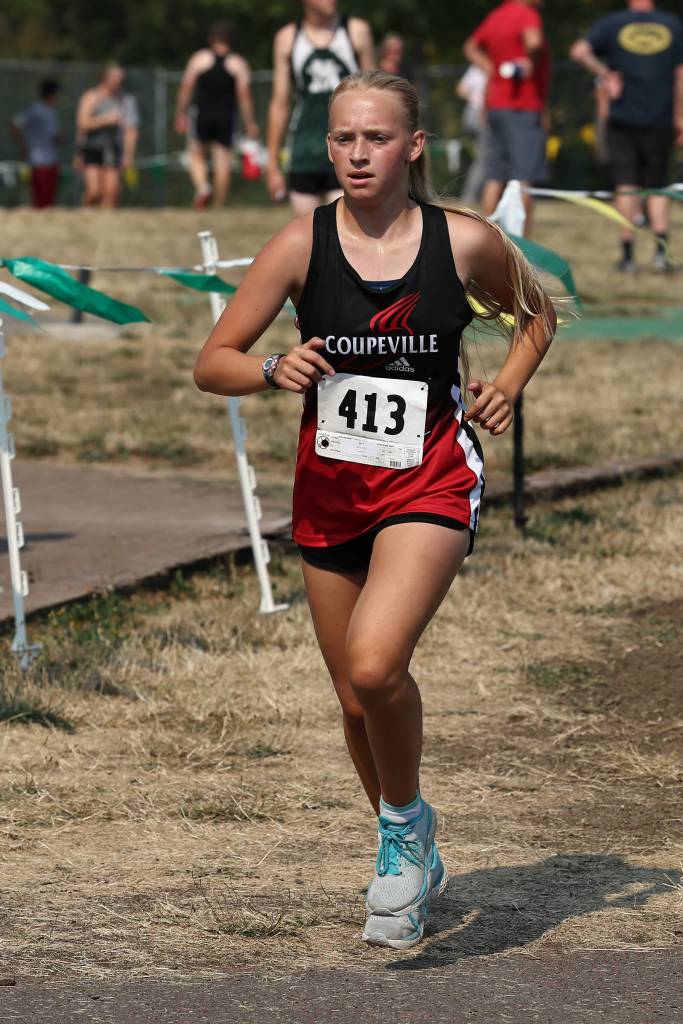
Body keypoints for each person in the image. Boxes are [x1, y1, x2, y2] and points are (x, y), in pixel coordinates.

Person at [194, 71, 556, 949]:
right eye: (344, 139)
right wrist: (274, 367)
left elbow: (537, 312)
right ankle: (409, 831)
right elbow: (213, 361)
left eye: (377, 139)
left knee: (373, 662)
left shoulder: (462, 242)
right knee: (356, 702)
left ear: (413, 148)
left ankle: (397, 838)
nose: (358, 154)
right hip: (329, 491)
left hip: (428, 476)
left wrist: (505, 385)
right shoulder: (296, 245)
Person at [570, 0, 683, 272]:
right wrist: (680, 117)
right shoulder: (672, 24)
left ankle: (628, 256)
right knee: (657, 184)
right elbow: (681, 74)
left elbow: (579, 51)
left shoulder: (611, 23)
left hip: (622, 118)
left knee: (626, 184)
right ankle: (660, 253)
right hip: (661, 117)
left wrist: (604, 74)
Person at [266, 0, 374, 215]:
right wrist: (272, 165)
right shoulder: (287, 38)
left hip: (349, 150)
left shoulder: (356, 31)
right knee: (310, 235)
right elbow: (280, 103)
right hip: (304, 150)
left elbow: (376, 94)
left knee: (348, 233)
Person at [464, 0, 551, 234]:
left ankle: (484, 242)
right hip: (522, 107)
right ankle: (523, 253)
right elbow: (534, 42)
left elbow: (470, 47)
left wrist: (492, 69)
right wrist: (531, 61)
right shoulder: (527, 14)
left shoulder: (496, 15)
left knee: (495, 176)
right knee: (524, 180)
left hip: (495, 106)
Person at [175, 21, 260, 209]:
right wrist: (250, 122)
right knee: (222, 160)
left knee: (195, 154)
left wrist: (180, 113)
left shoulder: (200, 58)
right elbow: (244, 96)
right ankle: (219, 204)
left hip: (202, 113)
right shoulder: (238, 63)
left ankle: (203, 187)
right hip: (226, 116)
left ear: (212, 39)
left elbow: (186, 88)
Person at [76, 64, 139, 208]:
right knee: (94, 192)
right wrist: (106, 120)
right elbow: (82, 123)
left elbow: (131, 130)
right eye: (115, 79)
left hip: (113, 148)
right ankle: (83, 215)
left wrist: (128, 155)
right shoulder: (91, 97)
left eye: (120, 80)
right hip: (91, 147)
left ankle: (105, 225)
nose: (118, 83)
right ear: (105, 78)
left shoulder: (126, 101)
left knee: (112, 192)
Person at [11, 79, 62, 210]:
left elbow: (54, 136)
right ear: (52, 94)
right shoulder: (35, 109)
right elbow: (15, 125)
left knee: (49, 199)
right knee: (40, 200)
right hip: (38, 160)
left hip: (51, 159)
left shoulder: (52, 112)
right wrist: (23, 145)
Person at [456, 64, 490, 205]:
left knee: (481, 157)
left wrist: (473, 96)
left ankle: (480, 195)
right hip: (481, 114)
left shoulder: (474, 68)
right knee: (484, 159)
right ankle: (470, 197)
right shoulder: (491, 67)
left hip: (469, 114)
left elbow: (461, 90)